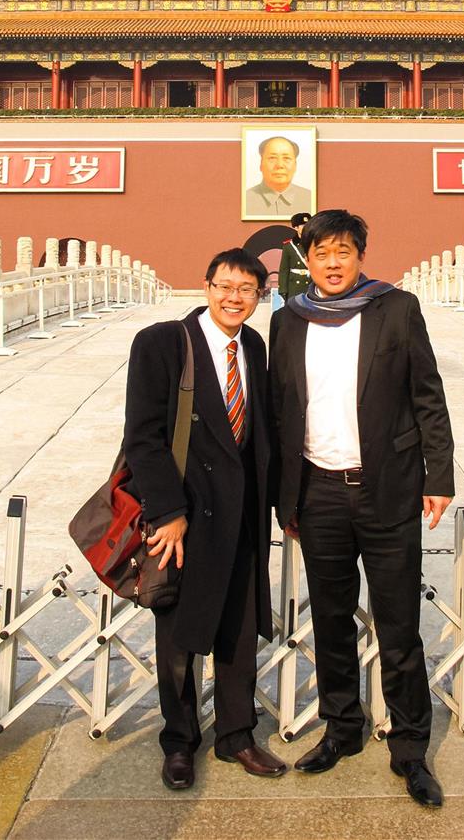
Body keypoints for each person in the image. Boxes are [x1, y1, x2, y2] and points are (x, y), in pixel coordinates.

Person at [268, 210, 455, 808]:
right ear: (307, 260)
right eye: (320, 253)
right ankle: (342, 729)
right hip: (319, 492)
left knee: (399, 625)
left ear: (360, 255)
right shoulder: (289, 321)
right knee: (330, 621)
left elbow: (428, 394)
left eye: (343, 252)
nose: (331, 263)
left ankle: (410, 750)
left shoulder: (395, 309)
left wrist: (439, 473)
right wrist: (285, 493)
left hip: (388, 489)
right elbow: (279, 411)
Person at [123, 248, 287, 790]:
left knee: (239, 630)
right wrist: (167, 512)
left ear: (259, 296)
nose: (234, 298)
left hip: (242, 513)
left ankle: (237, 734)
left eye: (247, 290)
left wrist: (283, 505)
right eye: (225, 286)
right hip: (187, 516)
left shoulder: (254, 346)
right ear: (206, 285)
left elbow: (263, 432)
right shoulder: (163, 343)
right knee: (179, 634)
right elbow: (143, 436)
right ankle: (179, 741)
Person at [245, 135, 313, 218]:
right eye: (272, 158)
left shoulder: (310, 198)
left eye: (286, 158)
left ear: (295, 165)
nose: (280, 165)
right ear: (261, 164)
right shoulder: (245, 199)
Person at [277, 211, 312, 301]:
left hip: (311, 284)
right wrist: (283, 290)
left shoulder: (314, 244)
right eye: (303, 225)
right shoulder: (289, 246)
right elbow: (284, 269)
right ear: (296, 227)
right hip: (295, 287)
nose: (306, 228)